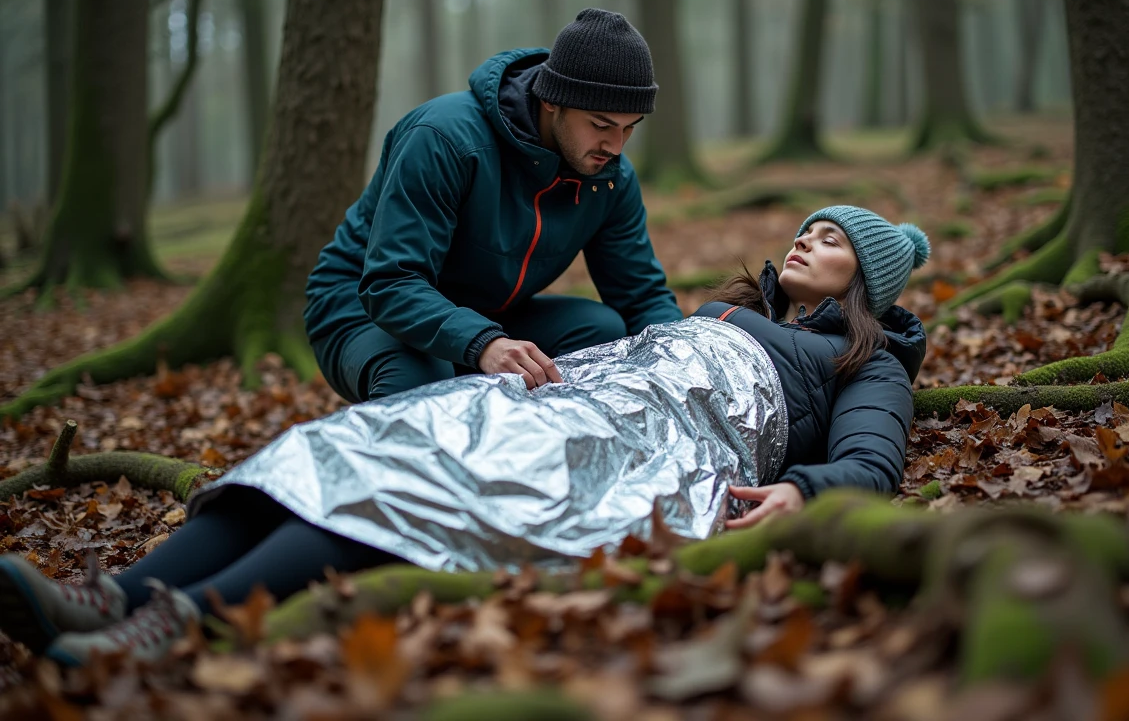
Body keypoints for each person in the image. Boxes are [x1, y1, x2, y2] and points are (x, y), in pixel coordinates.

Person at [0, 206, 927, 666]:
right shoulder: (721, 310)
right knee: (357, 443)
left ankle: (176, 623)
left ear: (865, 284)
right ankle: (111, 596)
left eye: (831, 241)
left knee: (412, 491)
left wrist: (805, 491)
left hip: (642, 453)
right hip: (560, 399)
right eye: (804, 229)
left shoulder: (867, 360)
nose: (804, 241)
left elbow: (872, 462)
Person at [304, 8, 682, 403]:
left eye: (629, 128)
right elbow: (391, 282)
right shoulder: (443, 138)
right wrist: (484, 344)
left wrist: (683, 360)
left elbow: (639, 295)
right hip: (365, 309)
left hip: (487, 316)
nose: (616, 147)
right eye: (601, 125)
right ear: (553, 100)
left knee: (601, 332)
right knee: (420, 379)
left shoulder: (609, 176)